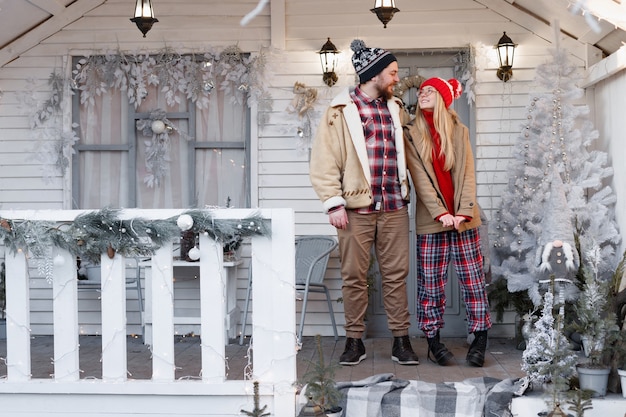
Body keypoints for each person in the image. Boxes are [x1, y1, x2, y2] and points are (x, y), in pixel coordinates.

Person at [309, 39, 419, 366]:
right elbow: (324, 160)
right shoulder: (340, 111)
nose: (397, 78)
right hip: (355, 209)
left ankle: (401, 340)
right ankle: (354, 341)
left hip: (394, 206)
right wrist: (333, 203)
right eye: (393, 72)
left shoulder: (395, 108)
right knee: (354, 276)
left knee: (396, 274)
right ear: (373, 74)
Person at [403, 77, 492, 367]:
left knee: (473, 282)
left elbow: (468, 174)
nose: (424, 93)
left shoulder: (459, 130)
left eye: (431, 90)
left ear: (442, 98)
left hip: (465, 220)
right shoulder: (412, 134)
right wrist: (441, 213)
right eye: (422, 90)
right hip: (433, 222)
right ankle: (433, 342)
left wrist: (464, 211)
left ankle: (479, 340)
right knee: (431, 285)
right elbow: (420, 180)